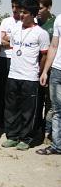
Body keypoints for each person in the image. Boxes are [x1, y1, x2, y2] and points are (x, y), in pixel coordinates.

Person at [2, 0, 50, 151]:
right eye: (20, 12)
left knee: (28, 110)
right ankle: (12, 136)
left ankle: (26, 138)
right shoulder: (16, 31)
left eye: (25, 12)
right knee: (11, 108)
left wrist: (40, 71)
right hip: (13, 75)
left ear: (34, 14)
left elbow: (44, 56)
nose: (21, 15)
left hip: (30, 77)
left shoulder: (40, 34)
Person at [0, 0, 28, 133]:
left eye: (17, 6)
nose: (14, 9)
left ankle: (14, 124)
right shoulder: (6, 21)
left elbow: (23, 42)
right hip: (2, 60)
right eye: (12, 6)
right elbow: (0, 40)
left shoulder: (29, 22)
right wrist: (11, 40)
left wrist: (10, 40)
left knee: (14, 95)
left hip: (18, 61)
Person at [36, 14, 61, 155]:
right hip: (57, 70)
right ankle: (57, 146)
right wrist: (45, 70)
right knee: (57, 110)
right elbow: (54, 45)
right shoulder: (59, 19)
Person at [36, 0, 56, 139]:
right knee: (36, 101)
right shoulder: (34, 23)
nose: (38, 10)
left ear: (48, 7)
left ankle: (48, 132)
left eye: (41, 8)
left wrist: (46, 70)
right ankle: (36, 130)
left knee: (50, 103)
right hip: (34, 69)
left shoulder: (55, 24)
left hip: (50, 69)